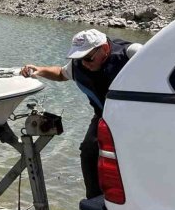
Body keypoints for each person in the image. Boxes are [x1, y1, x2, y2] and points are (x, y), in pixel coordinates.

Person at [20, 29, 143, 198]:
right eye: (78, 58)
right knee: (88, 150)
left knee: (134, 157)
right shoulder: (79, 64)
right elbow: (62, 74)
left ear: (105, 49)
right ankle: (94, 200)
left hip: (140, 116)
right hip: (104, 115)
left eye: (88, 58)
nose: (83, 63)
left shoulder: (131, 54)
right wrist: (40, 70)